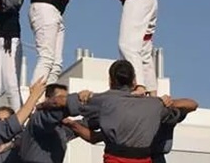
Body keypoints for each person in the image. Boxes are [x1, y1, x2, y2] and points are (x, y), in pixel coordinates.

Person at [39, 60, 198, 163]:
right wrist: (166, 102)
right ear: (134, 81)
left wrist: (40, 104)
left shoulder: (102, 100)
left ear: (110, 80)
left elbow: (59, 101)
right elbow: (192, 104)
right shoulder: (154, 105)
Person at [19, 84, 77, 163]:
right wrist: (76, 102)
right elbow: (50, 118)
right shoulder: (39, 118)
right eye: (60, 98)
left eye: (66, 98)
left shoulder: (61, 128)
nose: (64, 102)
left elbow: (86, 125)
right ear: (48, 100)